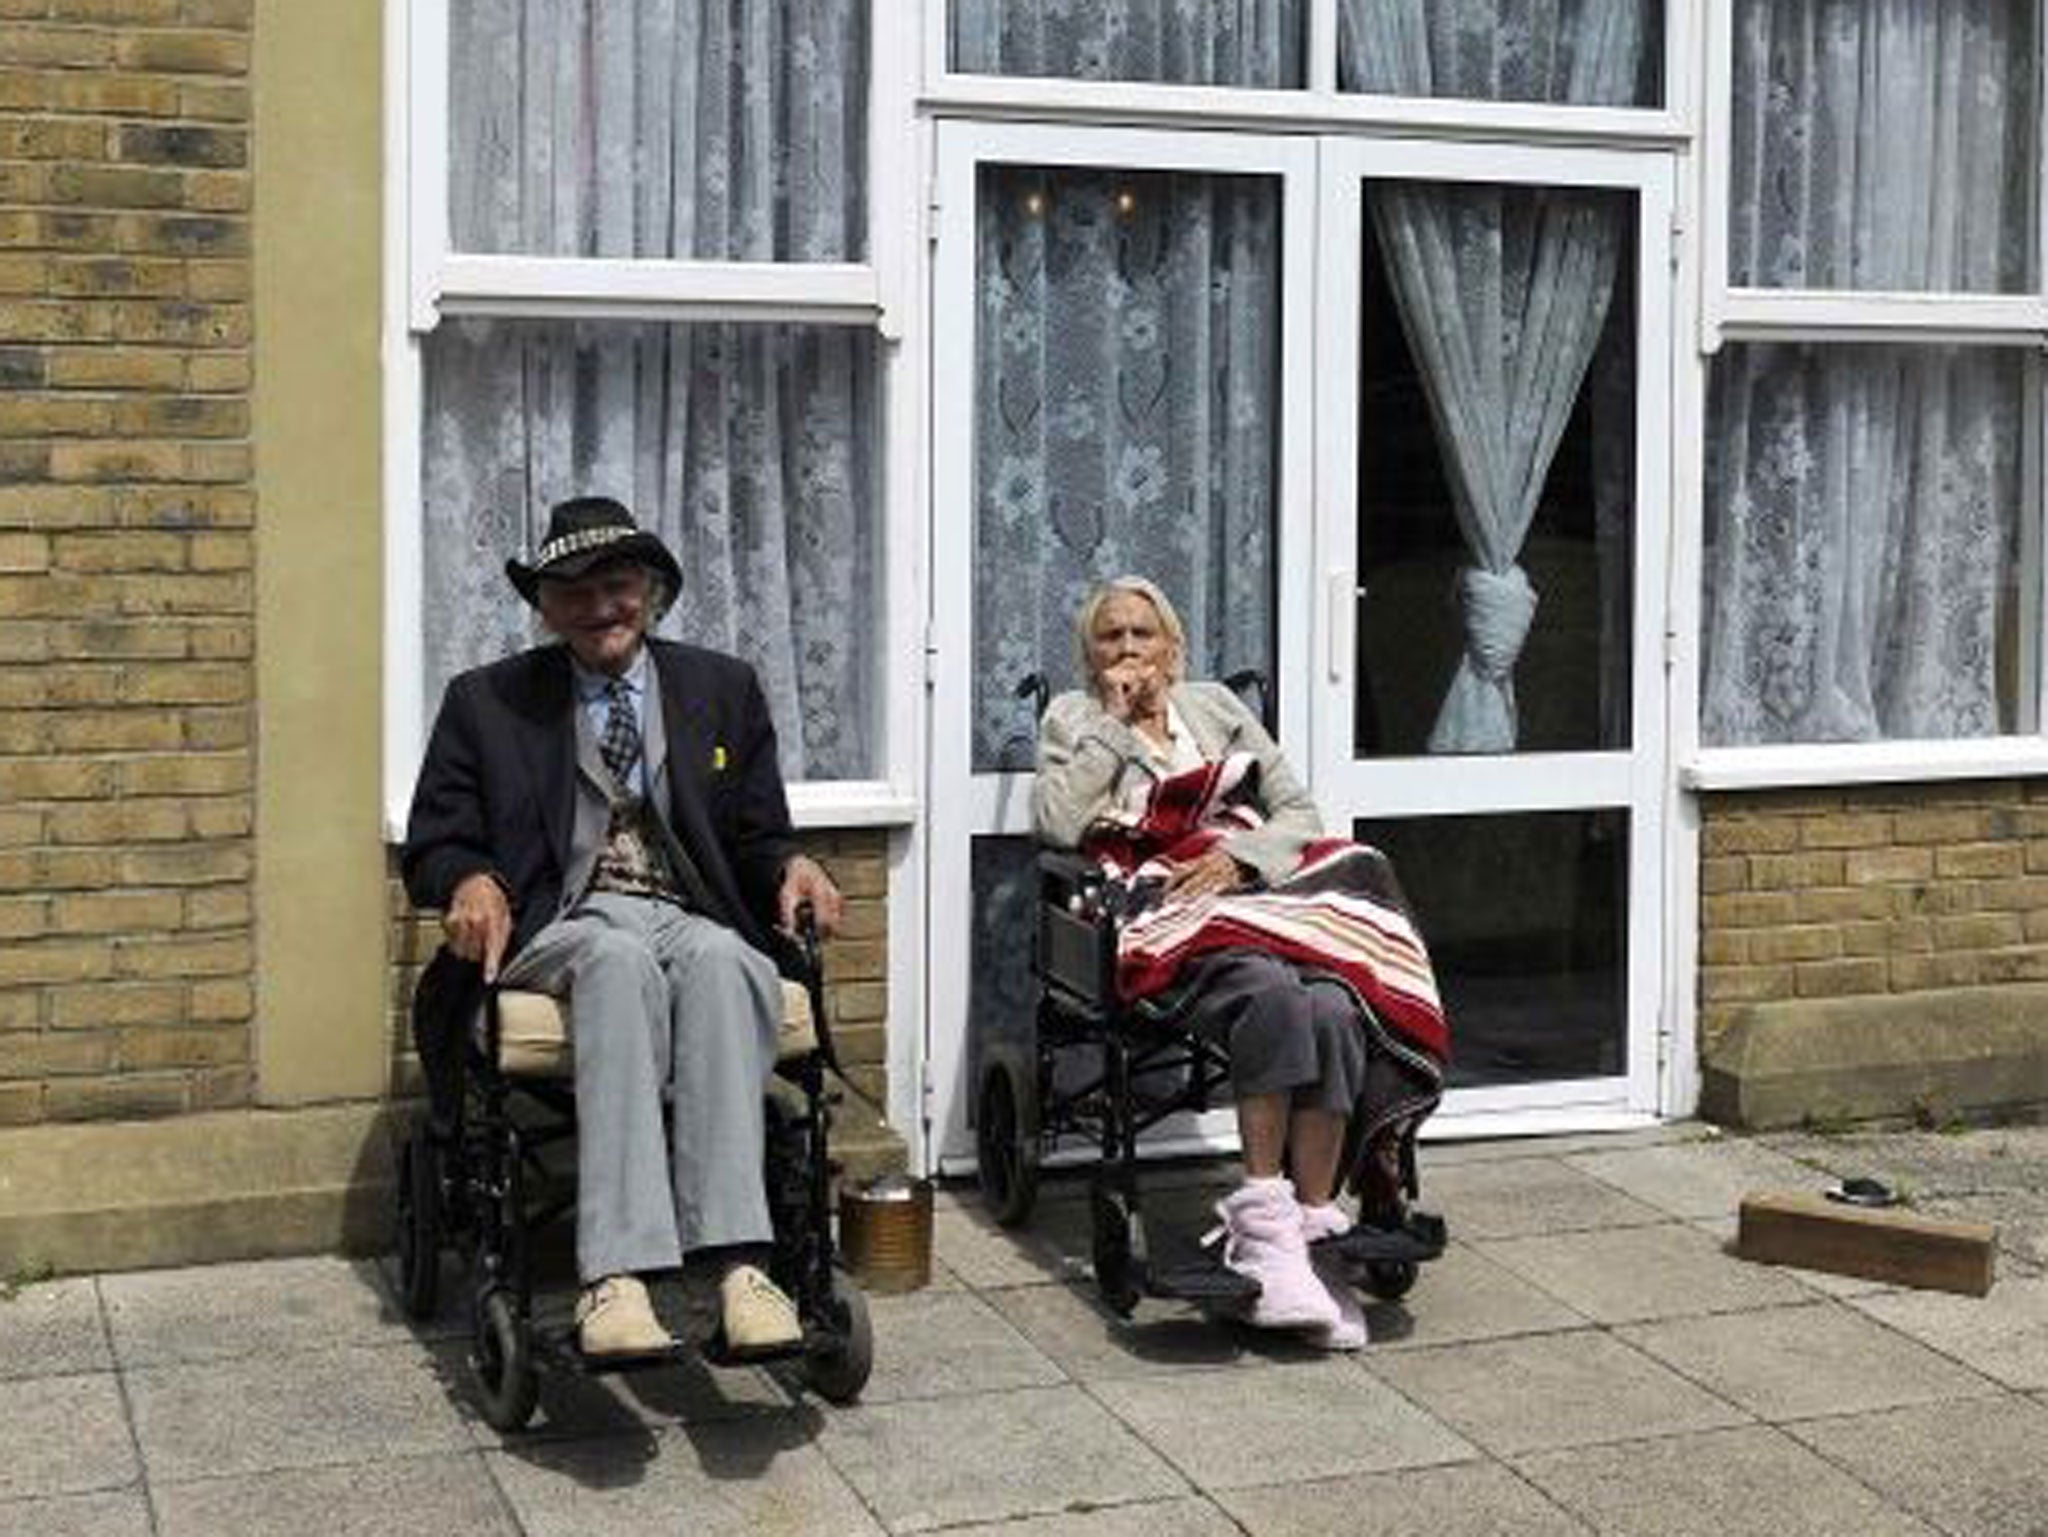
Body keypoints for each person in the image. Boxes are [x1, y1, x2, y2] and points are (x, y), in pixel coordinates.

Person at [403, 495, 843, 1361]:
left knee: (723, 962)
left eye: (616, 583)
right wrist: (469, 878)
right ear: (544, 606)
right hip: (562, 919)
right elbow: (437, 839)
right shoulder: (486, 702)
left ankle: (739, 1268)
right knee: (613, 959)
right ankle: (618, 1278)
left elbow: (758, 836)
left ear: (652, 588)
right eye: (572, 590)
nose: (599, 605)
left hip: (687, 911)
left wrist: (793, 864)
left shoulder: (723, 687)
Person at [1034, 576, 1443, 1351]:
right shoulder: (1075, 719)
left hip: (1251, 892)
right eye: (1110, 637)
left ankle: (1312, 1231)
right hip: (1159, 909)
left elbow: (1298, 812)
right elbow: (1057, 824)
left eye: (1142, 635)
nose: (1128, 650)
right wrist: (1117, 730)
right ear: (1090, 657)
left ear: (1172, 646)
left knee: (1330, 995)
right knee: (1273, 994)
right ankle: (1262, 1216)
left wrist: (1240, 859)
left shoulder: (1217, 707)